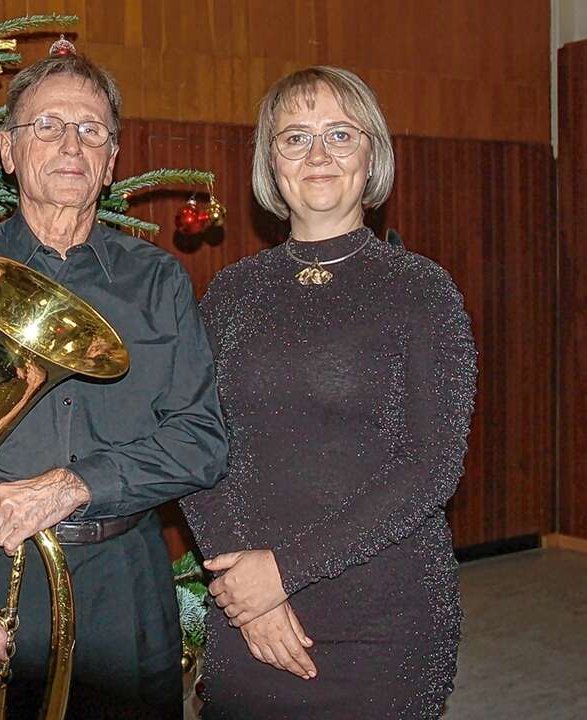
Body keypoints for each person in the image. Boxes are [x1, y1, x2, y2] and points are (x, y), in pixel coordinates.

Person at [0, 51, 228, 717]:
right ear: (7, 150)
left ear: (110, 161)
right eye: (47, 126)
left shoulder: (156, 281)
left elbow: (201, 440)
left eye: (91, 131)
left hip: (123, 579)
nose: (70, 145)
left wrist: (77, 483)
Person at [181, 65, 478, 719]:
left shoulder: (420, 289)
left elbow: (432, 468)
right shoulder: (231, 292)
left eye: (340, 135)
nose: (317, 154)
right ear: (270, 162)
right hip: (247, 609)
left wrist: (281, 571)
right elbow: (193, 439)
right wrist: (242, 587)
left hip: (383, 615)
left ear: (369, 155)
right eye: (294, 137)